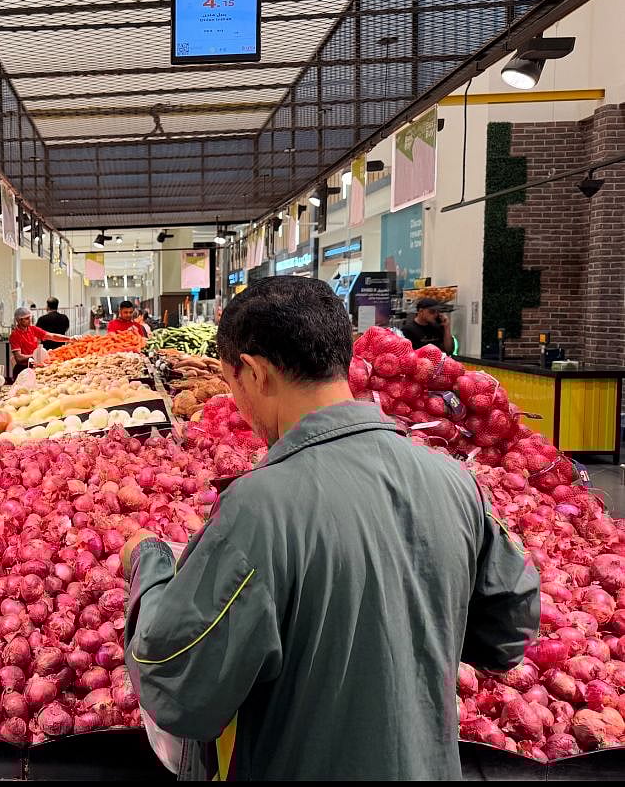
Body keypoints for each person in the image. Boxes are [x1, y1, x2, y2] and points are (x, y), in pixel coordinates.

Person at [121, 276, 538, 780]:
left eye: (233, 387)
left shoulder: (257, 508)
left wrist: (151, 563)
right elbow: (508, 634)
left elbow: (179, 688)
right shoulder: (454, 481)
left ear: (253, 372)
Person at [9, 306, 70, 379]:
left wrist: (69, 339)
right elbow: (19, 358)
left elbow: (52, 336)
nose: (30, 320)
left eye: (30, 317)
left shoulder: (33, 329)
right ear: (19, 320)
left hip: (34, 367)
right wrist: (37, 355)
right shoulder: (15, 335)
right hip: (22, 370)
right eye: (26, 319)